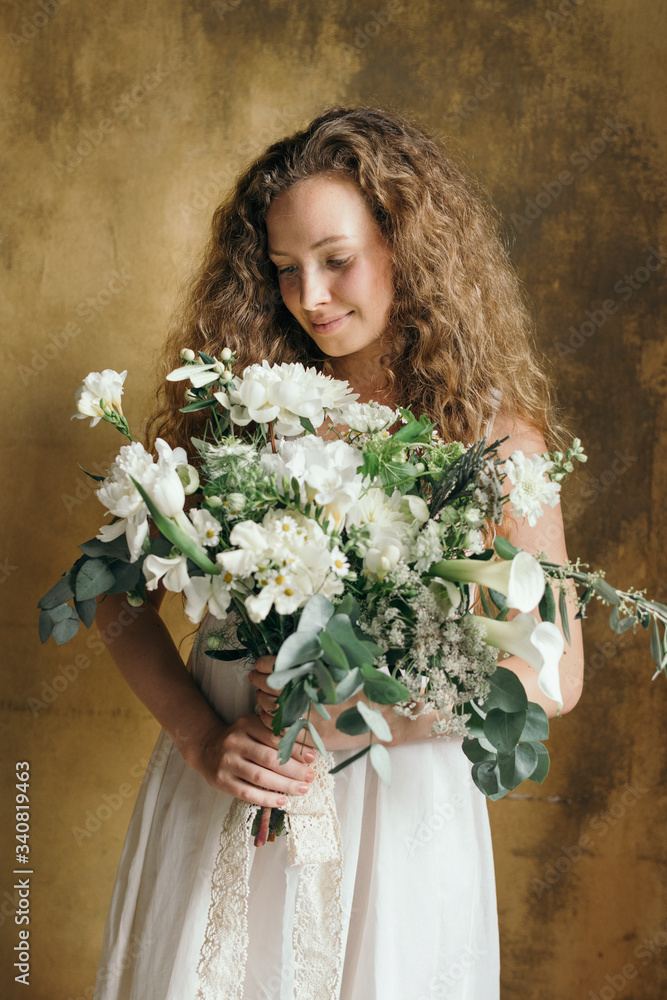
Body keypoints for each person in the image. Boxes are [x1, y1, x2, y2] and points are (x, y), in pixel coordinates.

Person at [92, 105, 584, 1000]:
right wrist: (204, 740)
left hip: (398, 818)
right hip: (235, 791)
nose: (308, 297)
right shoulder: (242, 409)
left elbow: (553, 679)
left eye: (336, 260)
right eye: (283, 270)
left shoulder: (493, 441)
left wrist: (353, 710)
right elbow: (111, 596)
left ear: (409, 247)